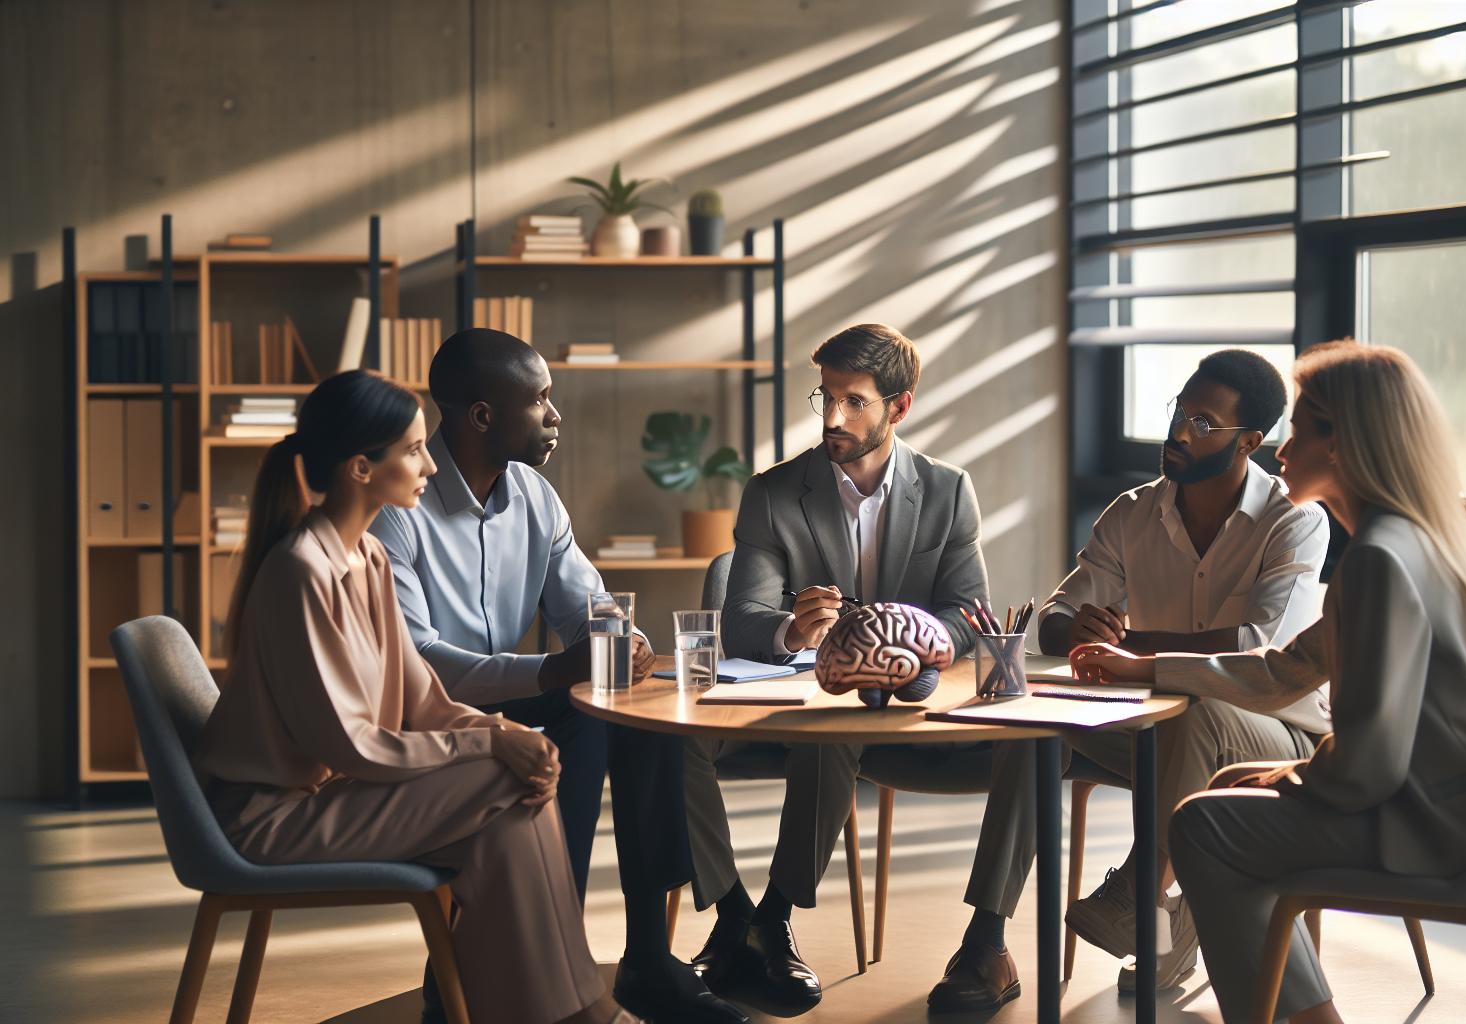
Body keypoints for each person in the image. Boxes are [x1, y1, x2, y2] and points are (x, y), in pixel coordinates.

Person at [1071, 341, 1466, 1024]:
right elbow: (1285, 668)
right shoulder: (1407, 543)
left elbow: (1368, 767)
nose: (1278, 445)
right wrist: (1149, 668)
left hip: (1431, 827)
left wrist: (1287, 778)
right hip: (1462, 811)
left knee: (1203, 828)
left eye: (1302, 424)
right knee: (1221, 797)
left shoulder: (1377, 560)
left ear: (1346, 445)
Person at [194, 370, 640, 1024]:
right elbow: (350, 744)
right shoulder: (301, 571)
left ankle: (548, 1010)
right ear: (359, 469)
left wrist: (513, 739)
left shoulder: (367, 558)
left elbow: (421, 697)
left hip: (329, 799)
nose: (431, 461)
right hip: (272, 820)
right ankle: (580, 1013)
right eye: (411, 449)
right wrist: (492, 737)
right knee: (503, 780)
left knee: (519, 791)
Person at [926, 350, 1331, 1010]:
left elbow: (1262, 645)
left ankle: (1143, 898)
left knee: (1200, 715)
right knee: (1040, 727)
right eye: (1179, 410)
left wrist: (1133, 646)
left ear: (1250, 443)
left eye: (1203, 422)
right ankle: (984, 945)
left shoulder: (1295, 521)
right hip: (1158, 725)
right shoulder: (1134, 511)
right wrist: (1079, 628)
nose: (1178, 432)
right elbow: (1053, 619)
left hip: (1276, 733)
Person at [367, 329, 744, 1024]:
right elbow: (417, 664)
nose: (555, 415)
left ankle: (645, 959)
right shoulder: (399, 510)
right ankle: (536, 954)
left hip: (508, 708)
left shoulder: (536, 498)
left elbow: (590, 607)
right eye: (539, 399)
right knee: (577, 704)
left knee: (639, 709)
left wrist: (621, 642)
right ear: (482, 415)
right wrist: (551, 669)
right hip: (426, 723)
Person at [685, 323, 990, 1015]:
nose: (831, 418)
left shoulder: (947, 491)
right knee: (668, 746)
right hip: (772, 696)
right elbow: (741, 619)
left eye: (854, 401)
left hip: (881, 700)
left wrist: (906, 639)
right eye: (825, 396)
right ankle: (737, 914)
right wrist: (790, 628)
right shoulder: (773, 492)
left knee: (834, 732)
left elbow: (970, 615)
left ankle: (777, 911)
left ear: (899, 407)